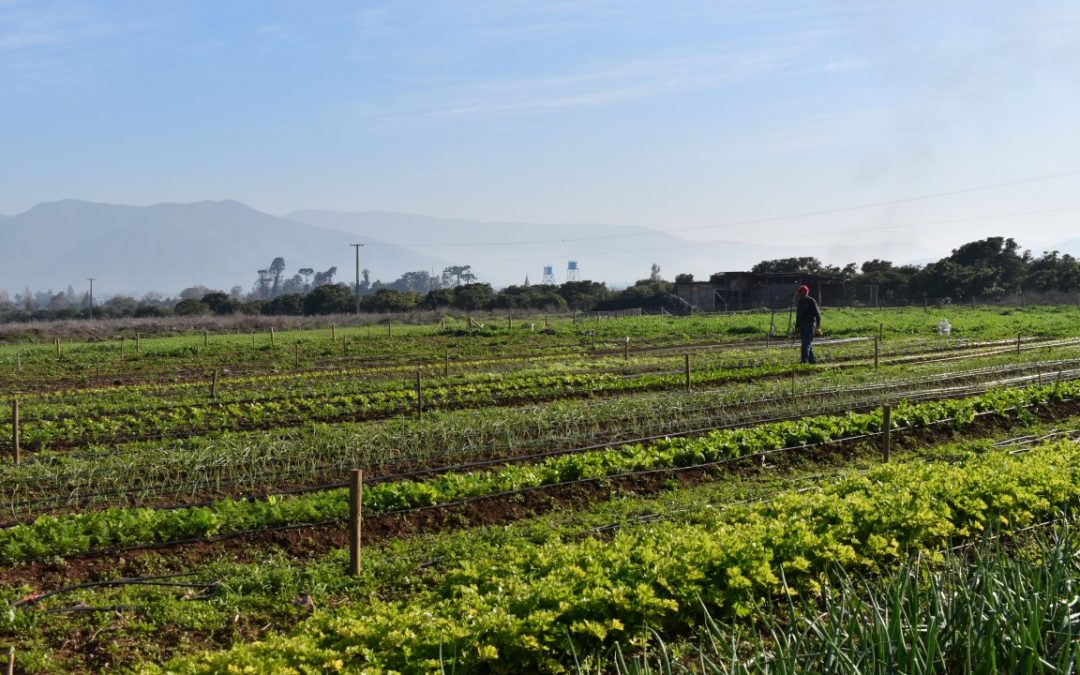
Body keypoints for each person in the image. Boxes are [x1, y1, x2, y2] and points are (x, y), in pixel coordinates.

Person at [794, 284, 821, 364]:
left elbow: (817, 314)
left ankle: (803, 361)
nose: (798, 294)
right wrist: (797, 327)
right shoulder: (799, 302)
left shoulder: (811, 301)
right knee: (807, 344)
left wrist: (818, 326)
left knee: (805, 345)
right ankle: (813, 361)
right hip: (802, 326)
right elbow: (798, 315)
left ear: (805, 292)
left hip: (809, 325)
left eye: (800, 293)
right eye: (798, 293)